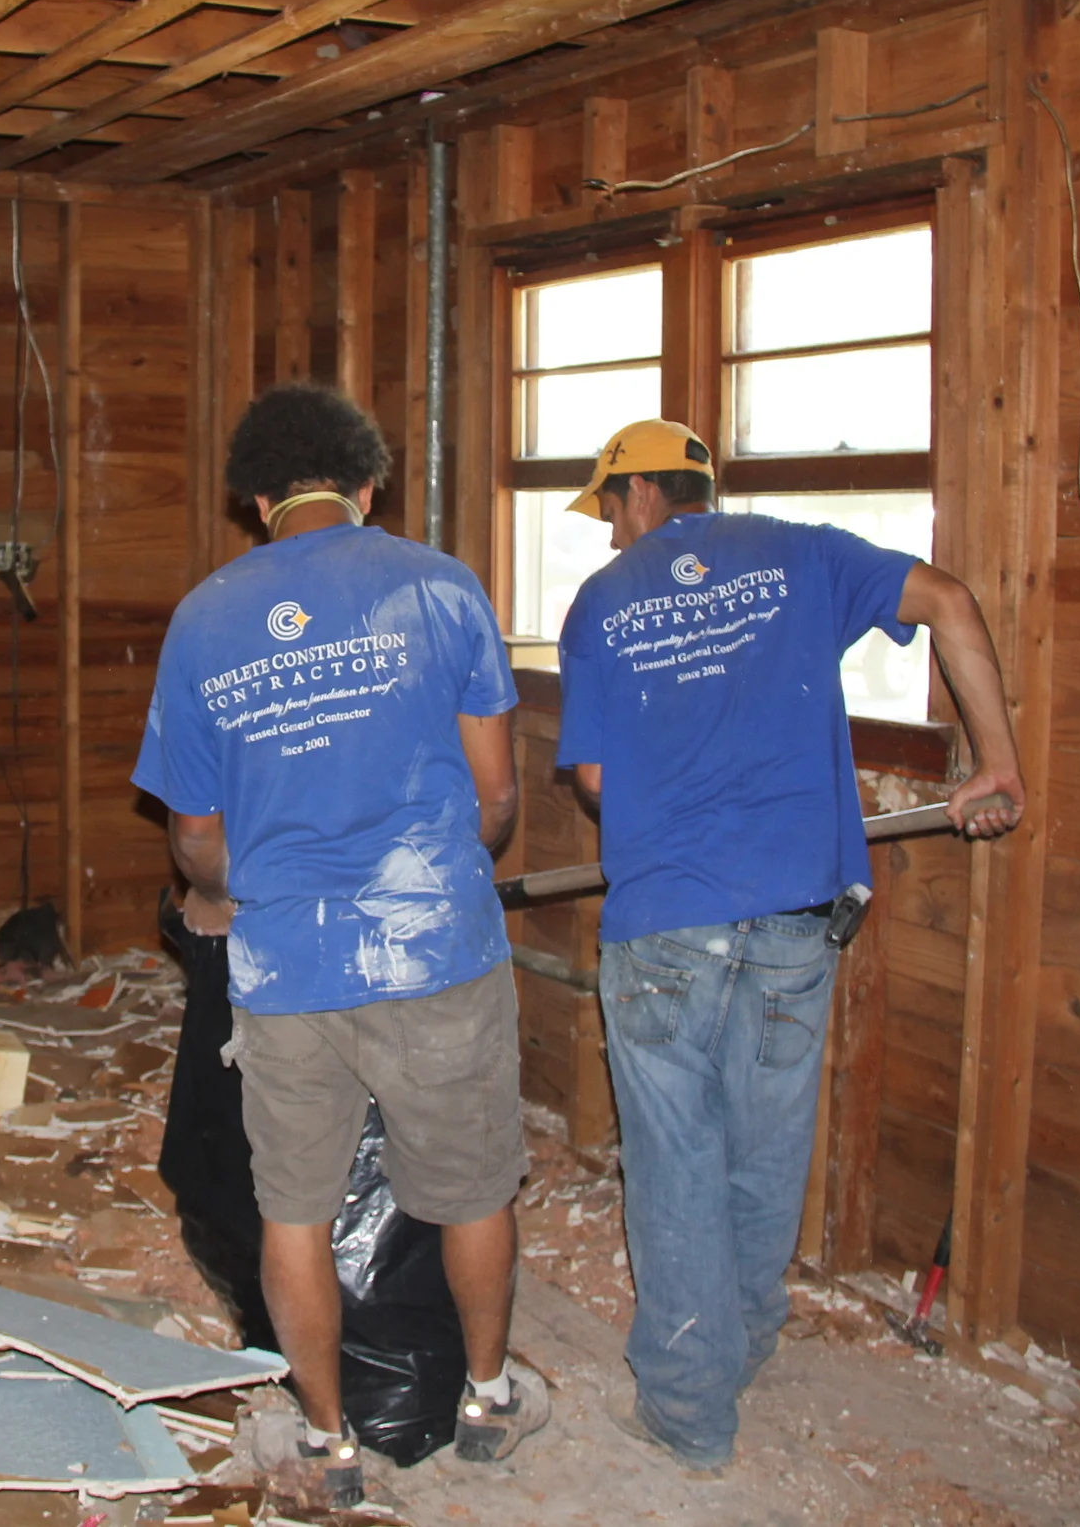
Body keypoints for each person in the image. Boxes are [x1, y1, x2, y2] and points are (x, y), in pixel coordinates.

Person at [554, 418, 1025, 1473]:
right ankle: (744, 1341)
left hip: (664, 925)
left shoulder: (603, 602)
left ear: (639, 497)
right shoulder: (803, 553)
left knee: (674, 1164)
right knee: (763, 1150)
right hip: (790, 919)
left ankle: (687, 1407)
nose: (608, 535)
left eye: (608, 512)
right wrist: (995, 763)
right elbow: (948, 599)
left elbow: (591, 782)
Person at [132, 384, 549, 1503]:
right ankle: (488, 1396)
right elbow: (496, 797)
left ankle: (327, 1444)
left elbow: (194, 839)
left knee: (295, 1212)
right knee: (470, 1191)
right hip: (438, 954)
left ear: (259, 496)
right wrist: (437, 867)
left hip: (286, 968)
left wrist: (242, 885)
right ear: (366, 487)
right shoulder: (439, 585)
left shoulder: (205, 616)